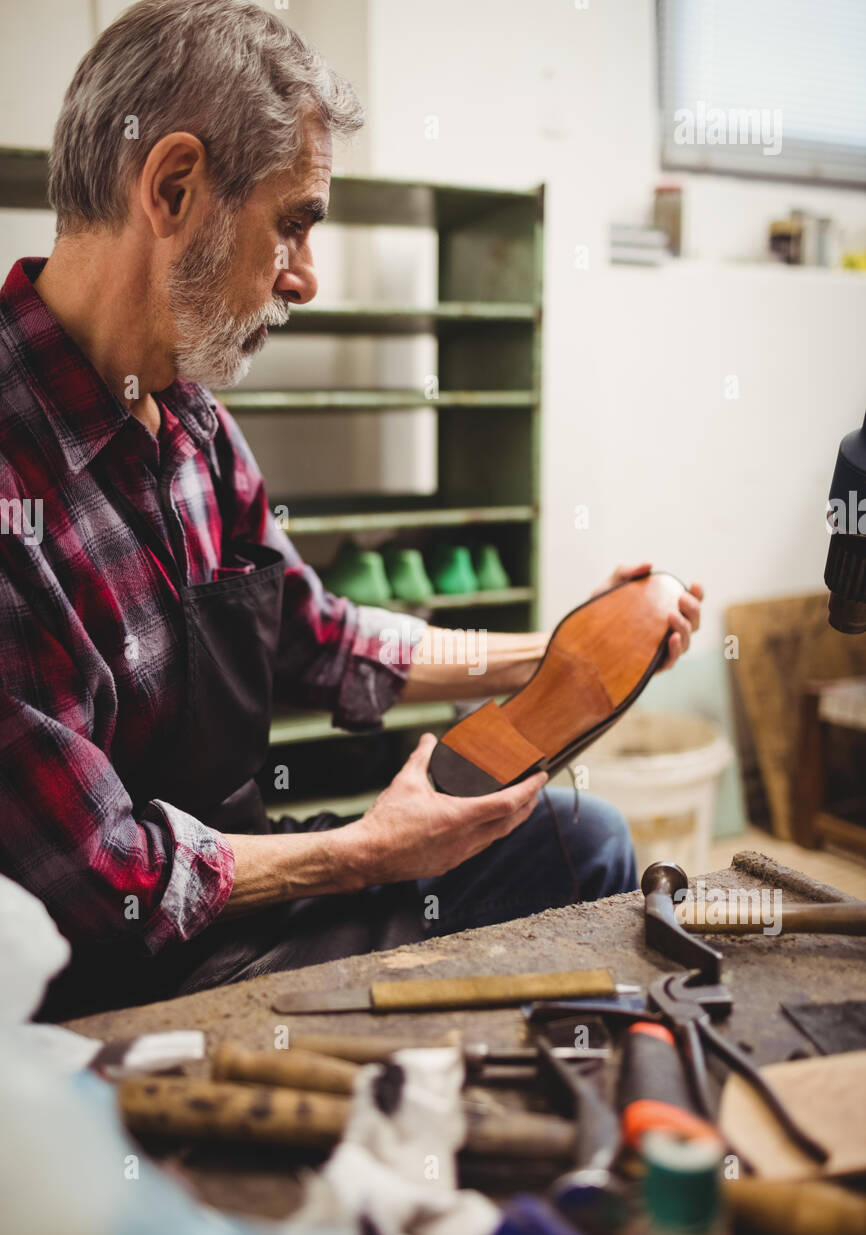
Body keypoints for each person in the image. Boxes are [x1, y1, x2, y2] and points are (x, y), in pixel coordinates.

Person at [0, 0, 702, 1018]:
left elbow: (319, 638)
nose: (308, 277)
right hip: (108, 973)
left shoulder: (187, 417)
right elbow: (109, 880)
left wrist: (553, 655)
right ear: (174, 186)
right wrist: (368, 852)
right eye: (293, 223)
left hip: (234, 883)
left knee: (574, 836)